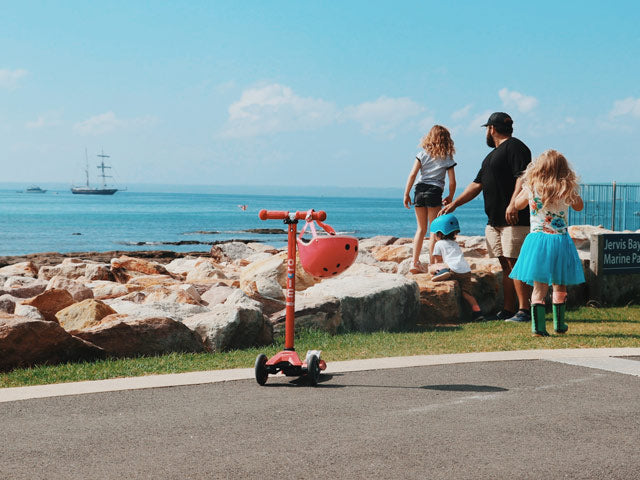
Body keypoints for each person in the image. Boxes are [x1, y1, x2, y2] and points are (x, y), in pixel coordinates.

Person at [439, 112, 531, 323]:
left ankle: (524, 310)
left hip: (514, 219)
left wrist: (513, 204)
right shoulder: (491, 156)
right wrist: (455, 204)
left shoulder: (516, 147)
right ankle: (508, 310)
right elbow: (477, 185)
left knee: (515, 262)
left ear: (492, 129)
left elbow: (523, 176)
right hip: (495, 220)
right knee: (504, 264)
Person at [509, 150, 585, 336]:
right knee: (560, 283)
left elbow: (518, 205)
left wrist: (527, 189)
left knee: (539, 286)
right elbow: (579, 206)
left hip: (538, 240)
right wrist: (569, 189)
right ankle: (559, 324)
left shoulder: (532, 187)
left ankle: (538, 327)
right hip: (560, 240)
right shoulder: (566, 188)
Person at [403, 125, 457, 274]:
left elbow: (413, 174)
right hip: (434, 192)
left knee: (421, 229)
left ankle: (414, 262)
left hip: (419, 190)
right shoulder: (447, 158)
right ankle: (432, 264)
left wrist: (406, 193)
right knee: (434, 230)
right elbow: (452, 181)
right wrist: (451, 196)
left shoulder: (422, 154)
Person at [428, 213, 484, 321]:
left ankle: (442, 273)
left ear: (439, 233)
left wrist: (434, 267)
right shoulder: (455, 243)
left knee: (432, 267)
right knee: (466, 293)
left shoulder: (439, 244)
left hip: (452, 270)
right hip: (466, 271)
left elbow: (438, 260)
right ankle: (478, 312)